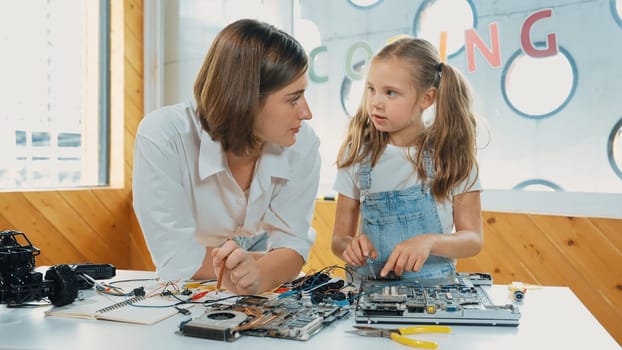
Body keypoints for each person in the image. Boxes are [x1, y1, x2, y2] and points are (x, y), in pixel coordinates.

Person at [132, 19, 320, 295]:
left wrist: (261, 272)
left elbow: (293, 246)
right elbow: (176, 256)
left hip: (255, 258)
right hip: (195, 275)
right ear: (245, 99)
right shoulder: (163, 136)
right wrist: (259, 268)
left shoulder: (302, 142)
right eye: (293, 99)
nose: (306, 112)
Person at [331, 37, 482, 282]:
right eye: (371, 89)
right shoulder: (357, 154)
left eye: (391, 93)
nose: (376, 102)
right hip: (367, 295)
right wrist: (350, 246)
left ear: (427, 99)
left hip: (435, 296)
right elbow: (338, 240)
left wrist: (430, 242)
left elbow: (473, 239)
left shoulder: (452, 158)